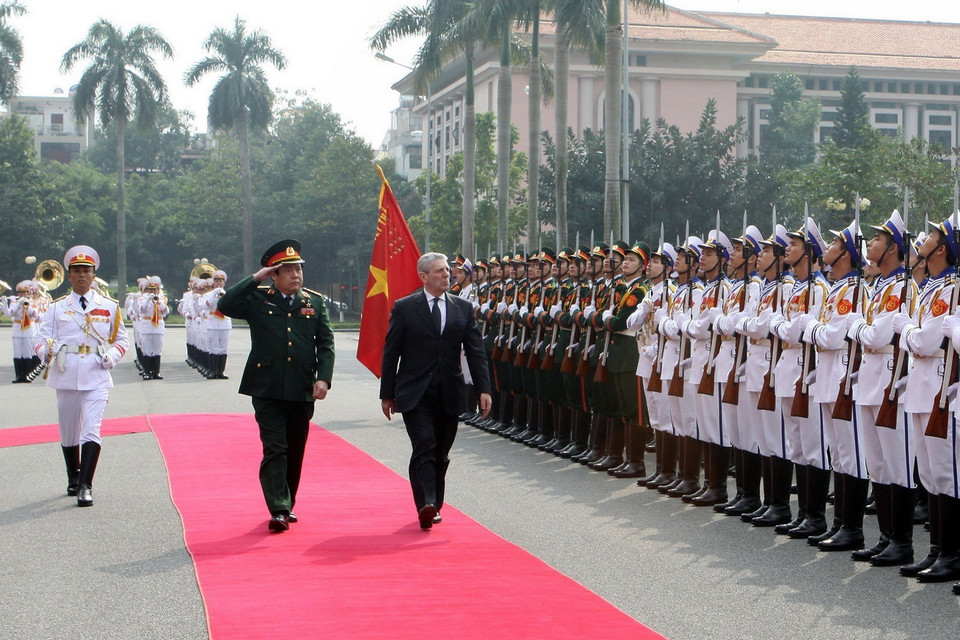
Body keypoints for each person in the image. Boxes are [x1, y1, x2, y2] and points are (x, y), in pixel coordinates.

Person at [217, 239, 335, 532]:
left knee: (295, 449)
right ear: (274, 274)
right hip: (267, 387)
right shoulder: (259, 299)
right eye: (288, 270)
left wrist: (323, 378)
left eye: (299, 269)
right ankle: (279, 508)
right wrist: (256, 277)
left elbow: (326, 343)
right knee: (275, 448)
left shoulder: (315, 303)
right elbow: (225, 304)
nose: (296, 275)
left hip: (301, 388)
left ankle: (287, 501)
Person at [380, 252, 492, 530]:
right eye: (439, 271)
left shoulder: (462, 308)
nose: (446, 275)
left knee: (441, 451)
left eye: (447, 271)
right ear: (423, 277)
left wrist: (484, 389)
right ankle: (425, 503)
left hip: (449, 391)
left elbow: (476, 353)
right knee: (424, 447)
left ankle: (435, 503)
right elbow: (391, 352)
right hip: (414, 392)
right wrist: (387, 393)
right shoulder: (405, 307)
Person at [34, 245, 129, 507]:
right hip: (65, 373)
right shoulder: (57, 307)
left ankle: (86, 485)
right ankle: (73, 476)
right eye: (76, 271)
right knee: (68, 430)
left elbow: (122, 340)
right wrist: (47, 352)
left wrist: (112, 357)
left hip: (96, 374)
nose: (82, 276)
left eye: (86, 271)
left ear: (94, 273)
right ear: (69, 275)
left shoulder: (109, 306)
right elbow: (39, 340)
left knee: (92, 428)